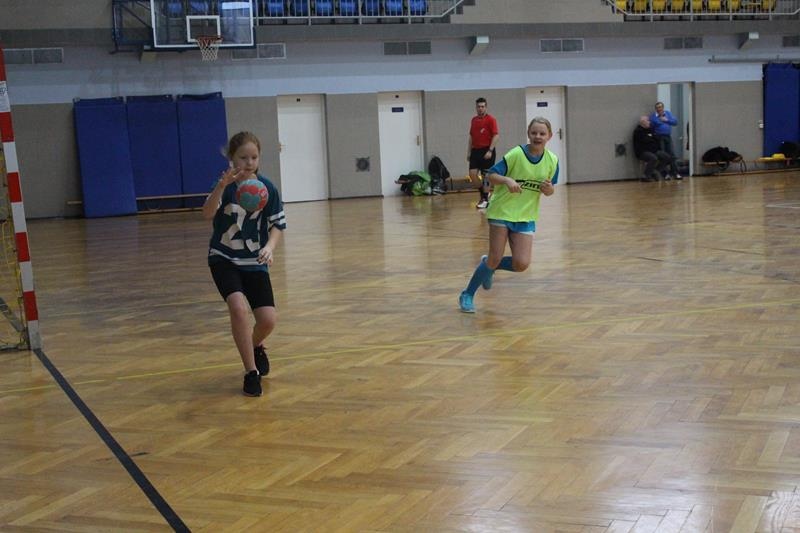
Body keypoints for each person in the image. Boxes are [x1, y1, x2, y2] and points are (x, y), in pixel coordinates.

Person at [202, 131, 286, 397]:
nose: (249, 163)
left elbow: (278, 225)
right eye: (243, 157)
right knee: (238, 308)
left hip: (254, 261)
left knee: (268, 321)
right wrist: (220, 186)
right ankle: (251, 372)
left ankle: (255, 345)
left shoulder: (267, 188)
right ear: (232, 158)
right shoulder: (226, 186)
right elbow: (207, 213)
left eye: (254, 157)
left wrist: (269, 247)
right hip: (224, 258)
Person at [458, 117, 558, 313]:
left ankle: (489, 267)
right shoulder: (516, 154)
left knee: (521, 264)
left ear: (549, 136)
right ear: (528, 134)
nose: (538, 136)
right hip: (502, 211)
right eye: (534, 133)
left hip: (526, 215)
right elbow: (491, 175)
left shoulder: (552, 161)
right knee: (495, 256)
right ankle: (467, 294)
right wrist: (507, 180)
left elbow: (550, 189)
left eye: (542, 133)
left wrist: (549, 189)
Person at [467, 97, 500, 209]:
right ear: (476, 108)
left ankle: (485, 199)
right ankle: (484, 193)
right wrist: (469, 152)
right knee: (472, 174)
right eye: (478, 106)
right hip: (475, 151)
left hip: (487, 150)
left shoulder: (491, 120)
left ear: (486, 107)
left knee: (486, 176)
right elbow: (471, 137)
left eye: (482, 106)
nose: (480, 108)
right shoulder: (474, 120)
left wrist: (490, 150)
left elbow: (496, 135)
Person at [633, 115, 674, 182]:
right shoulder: (638, 131)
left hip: (654, 150)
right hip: (643, 152)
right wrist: (651, 138)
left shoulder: (650, 129)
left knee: (667, 157)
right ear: (643, 122)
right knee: (653, 158)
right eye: (648, 121)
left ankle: (655, 171)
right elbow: (645, 141)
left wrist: (651, 138)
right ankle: (646, 175)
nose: (649, 122)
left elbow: (656, 139)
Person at [648, 102, 682, 180]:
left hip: (667, 137)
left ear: (663, 108)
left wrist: (666, 120)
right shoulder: (653, 116)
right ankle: (665, 174)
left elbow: (675, 122)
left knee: (672, 155)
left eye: (660, 107)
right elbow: (653, 125)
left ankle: (675, 173)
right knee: (663, 156)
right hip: (659, 137)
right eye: (657, 107)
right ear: (655, 109)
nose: (659, 109)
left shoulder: (668, 113)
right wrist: (661, 121)